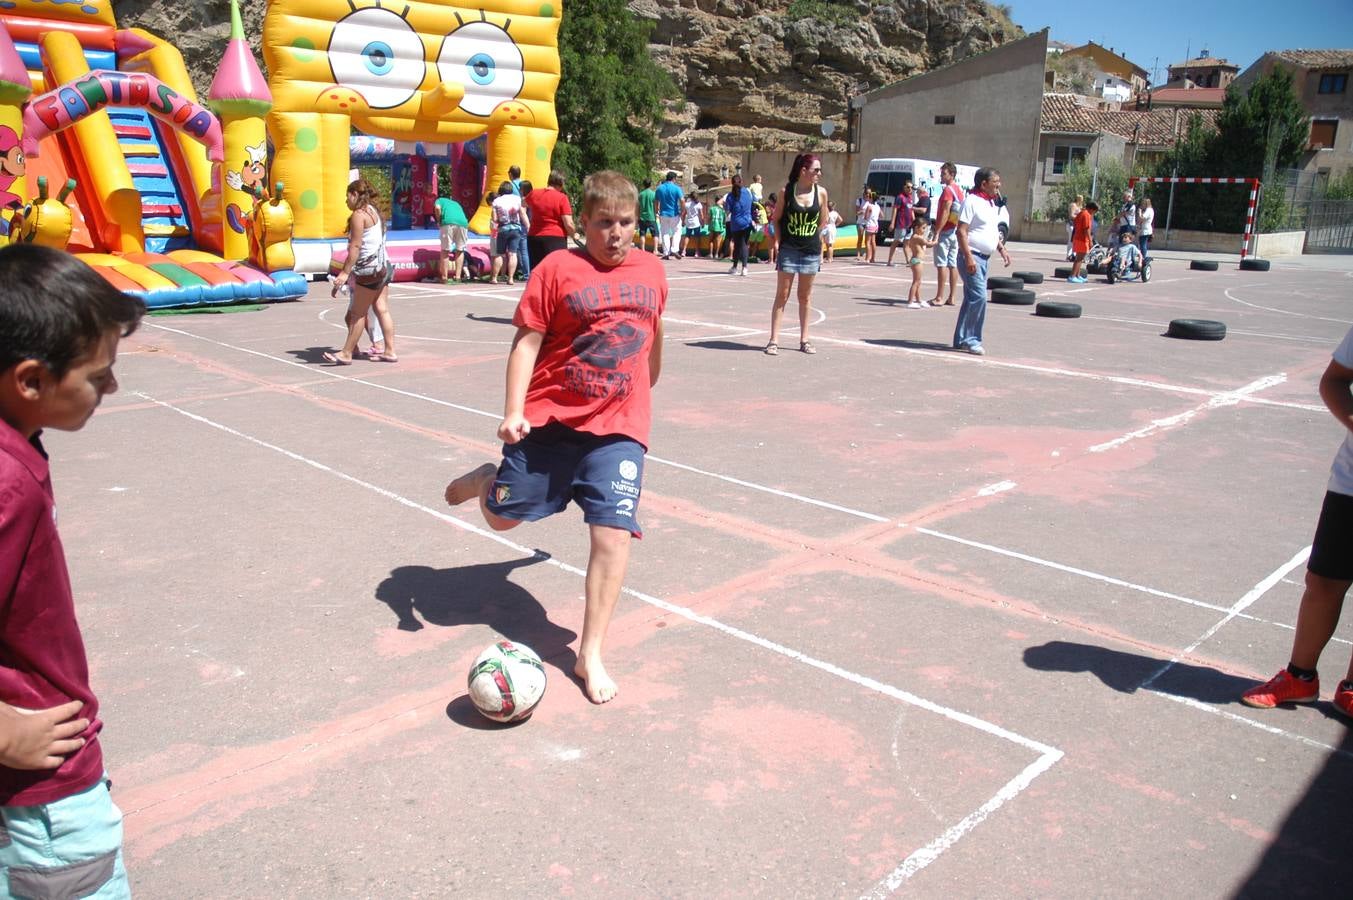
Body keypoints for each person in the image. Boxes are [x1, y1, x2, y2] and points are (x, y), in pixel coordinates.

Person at [442, 170, 667, 705]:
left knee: (612, 533)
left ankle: (589, 654)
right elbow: (526, 343)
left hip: (618, 429)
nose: (616, 233)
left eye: (626, 223)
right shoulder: (557, 269)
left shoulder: (653, 271)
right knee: (503, 517)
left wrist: (641, 389)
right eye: (604, 223)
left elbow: (655, 335)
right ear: (581, 224)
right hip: (549, 423)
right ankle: (485, 481)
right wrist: (513, 411)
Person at [0, 243, 145, 899]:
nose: (110, 387)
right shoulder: (5, 483)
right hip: (46, 804)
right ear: (30, 380)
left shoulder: (17, 442)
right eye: (98, 374)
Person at [1241, 324, 1353, 720]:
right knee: (1323, 580)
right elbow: (1335, 381)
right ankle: (1300, 677)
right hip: (1351, 483)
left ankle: (1352, 689)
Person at [326, 178, 397, 364]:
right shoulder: (374, 211)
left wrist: (344, 273)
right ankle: (389, 350)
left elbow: (355, 247)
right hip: (383, 266)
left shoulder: (359, 214)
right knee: (382, 309)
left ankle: (347, 353)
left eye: (347, 196)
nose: (346, 201)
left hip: (369, 271)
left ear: (355, 194)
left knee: (357, 314)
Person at [765, 153, 827, 356]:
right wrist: (778, 241)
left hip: (810, 250)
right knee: (782, 295)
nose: (819, 173)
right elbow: (776, 218)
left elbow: (823, 220)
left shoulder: (821, 193)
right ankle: (773, 340)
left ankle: (805, 339)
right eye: (815, 170)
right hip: (789, 250)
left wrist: (817, 241)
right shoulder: (787, 191)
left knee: (805, 297)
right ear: (803, 171)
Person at [953, 166, 1012, 356]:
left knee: (972, 299)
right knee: (980, 297)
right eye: (995, 183)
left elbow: (991, 231)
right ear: (983, 183)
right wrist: (969, 257)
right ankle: (972, 340)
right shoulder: (972, 201)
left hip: (984, 258)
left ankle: (961, 339)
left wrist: (1001, 249)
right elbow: (961, 231)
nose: (999, 186)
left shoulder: (990, 203)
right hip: (971, 256)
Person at [525, 170, 577, 268]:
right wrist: (574, 234)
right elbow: (568, 223)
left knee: (537, 271)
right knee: (555, 271)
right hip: (555, 238)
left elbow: (523, 203)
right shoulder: (562, 198)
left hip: (534, 237)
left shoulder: (534, 193)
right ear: (561, 183)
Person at [928, 162, 964, 306]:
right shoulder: (958, 190)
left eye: (944, 173)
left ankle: (939, 297)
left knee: (942, 263)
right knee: (952, 263)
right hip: (955, 230)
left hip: (946, 231)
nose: (941, 176)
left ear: (952, 175)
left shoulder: (948, 190)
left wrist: (937, 231)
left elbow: (945, 211)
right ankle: (952, 297)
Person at [491, 180, 530, 284]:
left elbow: (494, 218)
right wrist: (528, 226)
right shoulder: (517, 199)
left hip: (503, 229)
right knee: (512, 254)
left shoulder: (496, 201)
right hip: (516, 229)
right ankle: (511, 278)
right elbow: (522, 214)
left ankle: (494, 278)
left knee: (500, 254)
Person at [434, 191, 469, 284]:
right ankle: (458, 277)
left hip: (448, 223)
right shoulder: (455, 203)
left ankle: (444, 277)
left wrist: (438, 220)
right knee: (460, 250)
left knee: (445, 250)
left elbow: (437, 208)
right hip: (463, 223)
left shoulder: (439, 200)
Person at [903, 214, 938, 307]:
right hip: (917, 261)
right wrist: (936, 236)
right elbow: (929, 244)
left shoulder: (917, 236)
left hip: (918, 261)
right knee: (916, 281)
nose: (924, 230)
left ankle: (918, 300)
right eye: (923, 228)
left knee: (918, 281)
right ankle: (910, 302)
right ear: (916, 227)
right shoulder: (916, 237)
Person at [724, 173, 754, 276]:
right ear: (741, 182)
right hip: (748, 221)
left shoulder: (730, 196)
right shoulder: (748, 192)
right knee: (744, 244)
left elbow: (727, 211)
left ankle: (736, 267)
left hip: (736, 223)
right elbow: (753, 204)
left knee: (738, 245)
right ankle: (743, 267)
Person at [886, 179, 916, 266]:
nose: (910, 189)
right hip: (901, 224)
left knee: (907, 243)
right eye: (908, 187)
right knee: (896, 241)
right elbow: (895, 210)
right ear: (904, 187)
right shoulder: (900, 197)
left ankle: (908, 260)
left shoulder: (910, 198)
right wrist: (892, 223)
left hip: (909, 225)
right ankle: (889, 260)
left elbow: (911, 210)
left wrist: (914, 221)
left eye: (911, 187)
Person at [655, 171, 684, 260]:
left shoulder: (659, 188)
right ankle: (674, 249)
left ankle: (666, 252)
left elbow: (656, 201)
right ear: (674, 179)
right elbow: (682, 200)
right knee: (677, 231)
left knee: (665, 233)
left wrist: (657, 211)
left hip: (663, 213)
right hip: (674, 213)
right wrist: (682, 211)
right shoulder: (677, 188)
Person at [1068, 200, 1098, 283]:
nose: (1094, 213)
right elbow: (1086, 229)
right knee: (1079, 258)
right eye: (1095, 211)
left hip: (1077, 237)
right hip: (1082, 239)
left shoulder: (1081, 213)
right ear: (1092, 209)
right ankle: (1072, 276)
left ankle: (1077, 275)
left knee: (1079, 258)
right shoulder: (1087, 215)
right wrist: (1090, 240)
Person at [636, 180, 658, 254]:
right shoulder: (653, 194)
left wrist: (638, 217)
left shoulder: (640, 194)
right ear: (651, 184)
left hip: (642, 217)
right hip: (651, 217)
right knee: (655, 234)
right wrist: (656, 213)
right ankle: (655, 250)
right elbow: (656, 206)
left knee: (642, 234)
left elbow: (638, 207)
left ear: (643, 185)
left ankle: (642, 250)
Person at [680, 191, 704, 258]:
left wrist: (682, 222)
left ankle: (684, 251)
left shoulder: (687, 204)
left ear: (690, 197)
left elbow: (684, 214)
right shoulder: (698, 204)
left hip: (689, 222)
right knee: (697, 237)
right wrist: (702, 222)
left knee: (687, 236)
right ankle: (696, 252)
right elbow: (701, 215)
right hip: (696, 223)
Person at [861, 190, 881, 263]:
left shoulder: (869, 206)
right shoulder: (878, 206)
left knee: (867, 242)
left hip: (869, 225)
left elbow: (866, 217)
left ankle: (867, 258)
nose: (868, 198)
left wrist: (865, 215)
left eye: (869, 197)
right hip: (875, 225)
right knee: (873, 242)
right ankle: (873, 258)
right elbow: (881, 215)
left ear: (871, 199)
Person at [707, 192, 727, 260]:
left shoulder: (712, 208)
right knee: (718, 241)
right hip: (720, 226)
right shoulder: (723, 210)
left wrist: (708, 223)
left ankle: (710, 254)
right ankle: (716, 254)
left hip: (712, 225)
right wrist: (724, 225)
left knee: (711, 240)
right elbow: (725, 219)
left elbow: (709, 218)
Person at [1066, 194, 1084, 261]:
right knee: (1071, 240)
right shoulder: (1073, 205)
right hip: (1071, 225)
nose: (1081, 200)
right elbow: (1071, 215)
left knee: (1074, 241)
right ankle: (1068, 255)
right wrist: (1080, 218)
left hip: (1076, 225)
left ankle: (1073, 255)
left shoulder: (1079, 206)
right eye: (1080, 199)